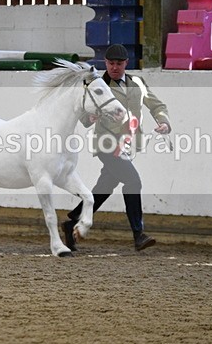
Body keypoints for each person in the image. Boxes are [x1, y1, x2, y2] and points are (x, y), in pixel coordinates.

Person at [62, 43, 171, 252]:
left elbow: (156, 105)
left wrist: (163, 121)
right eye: (111, 63)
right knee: (133, 182)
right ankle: (138, 234)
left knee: (104, 188)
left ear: (126, 63)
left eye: (118, 63)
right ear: (105, 63)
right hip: (108, 145)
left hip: (129, 145)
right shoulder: (98, 85)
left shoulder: (137, 82)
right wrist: (90, 117)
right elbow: (84, 116)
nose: (114, 67)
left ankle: (74, 219)